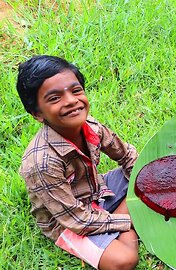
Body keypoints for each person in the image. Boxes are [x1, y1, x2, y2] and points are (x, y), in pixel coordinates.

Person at [17, 55, 139, 270]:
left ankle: (120, 216)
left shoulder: (91, 126)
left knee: (147, 169)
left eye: (75, 91)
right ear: (37, 113)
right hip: (67, 220)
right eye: (54, 98)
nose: (71, 101)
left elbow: (127, 156)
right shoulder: (42, 163)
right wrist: (126, 222)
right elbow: (77, 221)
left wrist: (142, 175)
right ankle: (130, 218)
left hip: (95, 191)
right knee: (124, 261)